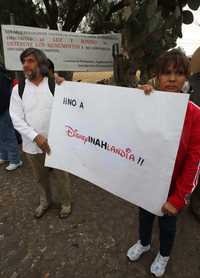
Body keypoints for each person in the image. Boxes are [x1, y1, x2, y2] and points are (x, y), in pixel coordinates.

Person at [127, 50, 200, 277]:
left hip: (173, 189)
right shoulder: (147, 103)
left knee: (168, 225)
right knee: (144, 216)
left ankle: (164, 255)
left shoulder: (195, 114)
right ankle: (144, 242)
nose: (171, 78)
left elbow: (195, 161)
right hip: (146, 181)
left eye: (178, 73)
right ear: (157, 77)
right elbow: (125, 124)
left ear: (186, 78)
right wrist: (138, 99)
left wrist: (179, 198)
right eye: (166, 73)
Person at [9, 48, 71, 219]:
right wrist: (36, 137)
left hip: (56, 143)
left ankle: (66, 203)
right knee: (40, 178)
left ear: (41, 63)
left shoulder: (54, 84)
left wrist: (66, 86)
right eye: (24, 62)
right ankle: (45, 202)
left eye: (30, 61)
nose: (25, 65)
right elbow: (16, 118)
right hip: (31, 145)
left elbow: (69, 108)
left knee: (61, 176)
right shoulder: (18, 90)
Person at [0, 63, 22, 170]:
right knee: (1, 135)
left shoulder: (2, 77)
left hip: (3, 110)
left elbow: (4, 96)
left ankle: (15, 160)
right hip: (2, 109)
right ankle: (4, 156)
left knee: (8, 135)